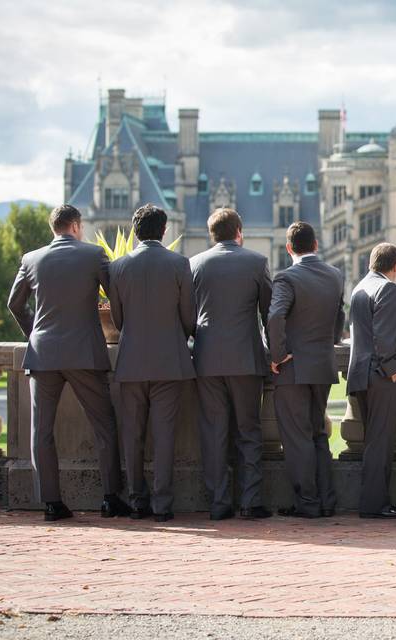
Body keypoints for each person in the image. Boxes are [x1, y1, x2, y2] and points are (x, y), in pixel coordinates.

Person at [7, 204, 129, 522]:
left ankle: (51, 503)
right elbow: (115, 296)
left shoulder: (31, 259)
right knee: (104, 425)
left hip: (43, 353)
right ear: (75, 225)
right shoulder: (93, 255)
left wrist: (33, 332)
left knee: (41, 430)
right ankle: (110, 498)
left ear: (54, 228)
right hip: (84, 353)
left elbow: (14, 303)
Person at [109, 204, 196, 522]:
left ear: (134, 231)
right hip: (170, 361)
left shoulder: (117, 267)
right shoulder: (179, 263)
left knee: (132, 435)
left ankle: (137, 500)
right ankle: (162, 504)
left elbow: (117, 319)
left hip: (130, 361)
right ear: (164, 230)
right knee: (165, 434)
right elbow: (189, 316)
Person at [190, 208, 273, 521]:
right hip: (246, 359)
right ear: (239, 231)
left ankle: (219, 503)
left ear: (212, 234)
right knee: (249, 432)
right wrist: (275, 352)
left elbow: (187, 314)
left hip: (207, 358)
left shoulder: (194, 264)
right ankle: (251, 501)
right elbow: (269, 314)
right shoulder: (256, 262)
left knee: (214, 434)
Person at [266, 222, 344, 519]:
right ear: (316, 244)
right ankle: (326, 500)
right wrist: (331, 343)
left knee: (297, 437)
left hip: (293, 368)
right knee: (318, 433)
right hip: (323, 365)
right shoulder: (335, 275)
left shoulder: (286, 277)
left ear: (289, 248)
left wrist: (277, 354)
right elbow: (339, 316)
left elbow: (275, 317)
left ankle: (307, 502)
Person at [347, 243, 396, 519]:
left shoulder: (359, 286)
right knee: (380, 443)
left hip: (362, 374)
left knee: (373, 442)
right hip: (381, 376)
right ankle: (376, 505)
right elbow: (383, 334)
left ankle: (372, 503)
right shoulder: (386, 288)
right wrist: (393, 369)